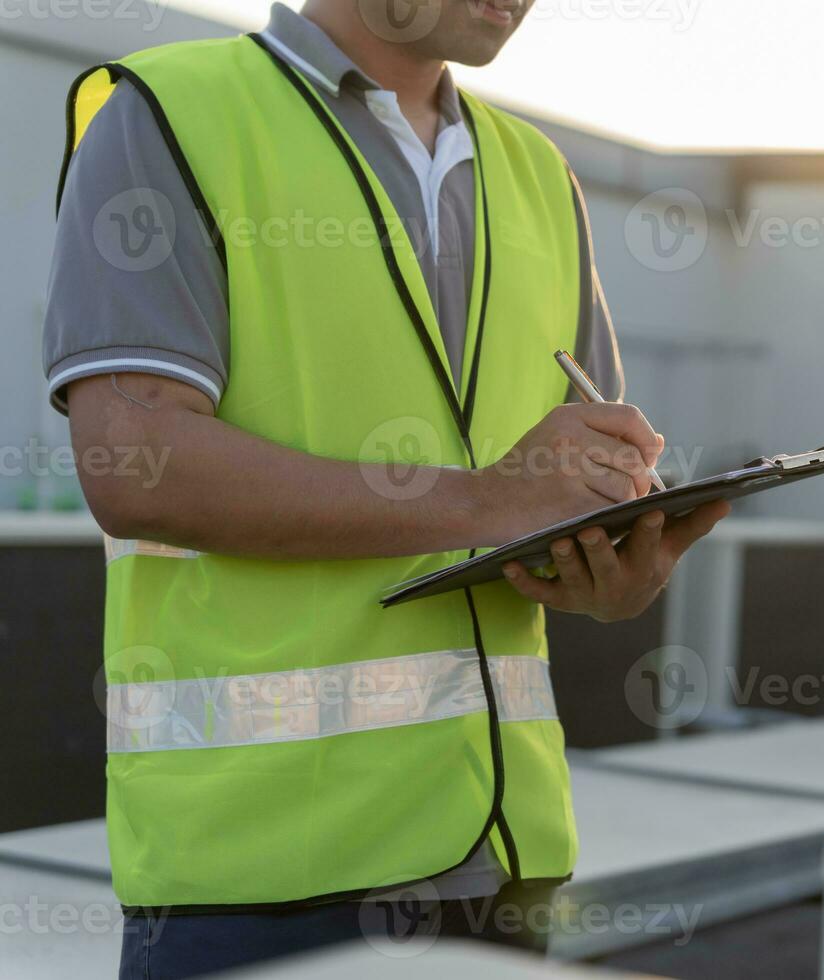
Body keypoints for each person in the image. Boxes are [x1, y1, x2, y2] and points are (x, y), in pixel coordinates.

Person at [42, 2, 729, 975]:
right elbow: (133, 462)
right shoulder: (168, 113)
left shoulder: (538, 173)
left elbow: (561, 478)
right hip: (256, 874)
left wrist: (613, 567)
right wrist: (489, 501)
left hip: (503, 857)